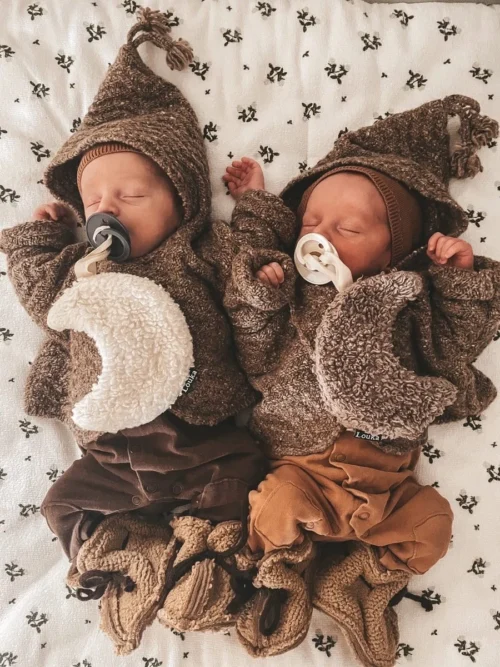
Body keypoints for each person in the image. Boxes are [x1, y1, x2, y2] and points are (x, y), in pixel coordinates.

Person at [0, 8, 266, 656]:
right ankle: (125, 559)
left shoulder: (200, 251)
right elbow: (42, 299)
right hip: (114, 453)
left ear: (182, 199)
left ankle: (206, 564)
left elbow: (251, 280)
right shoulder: (84, 269)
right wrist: (42, 239)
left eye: (130, 195)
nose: (107, 210)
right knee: (63, 505)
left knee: (246, 473)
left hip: (198, 438)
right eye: (93, 202)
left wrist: (257, 209)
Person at [199, 95, 500, 662]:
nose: (322, 236)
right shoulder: (291, 294)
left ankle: (362, 579)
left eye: (348, 227)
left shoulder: (406, 303)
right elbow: (252, 353)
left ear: (392, 254)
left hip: (386, 484)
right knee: (274, 507)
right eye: (310, 223)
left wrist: (459, 280)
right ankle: (283, 576)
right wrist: (261, 290)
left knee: (433, 524)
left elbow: (455, 347)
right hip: (301, 467)